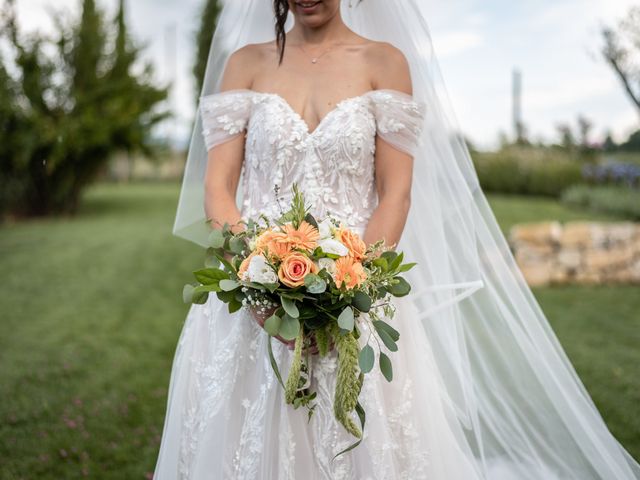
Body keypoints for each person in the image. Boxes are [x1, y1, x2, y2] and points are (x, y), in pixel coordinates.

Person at [156, 1, 640, 479]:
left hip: (356, 297)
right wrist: (258, 286)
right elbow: (218, 189)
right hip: (250, 302)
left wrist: (349, 291)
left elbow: (395, 193)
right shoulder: (245, 64)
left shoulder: (384, 62)